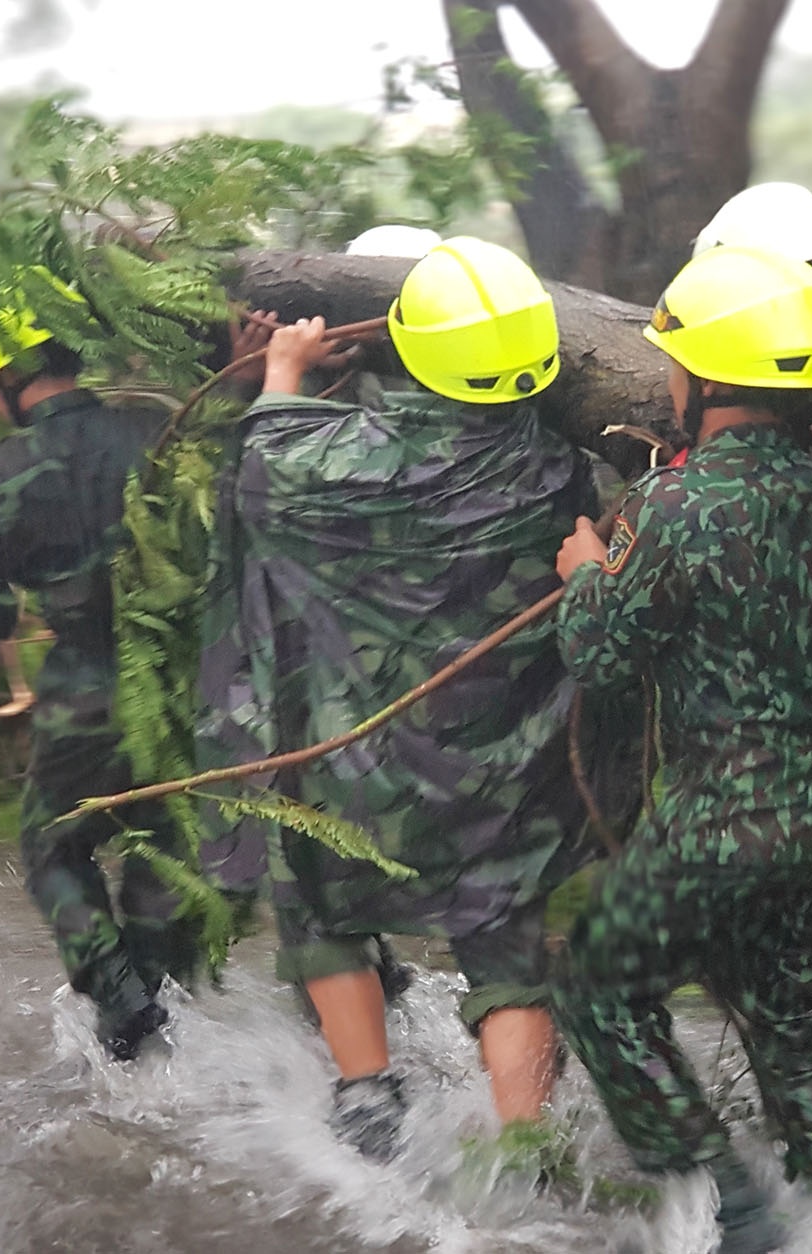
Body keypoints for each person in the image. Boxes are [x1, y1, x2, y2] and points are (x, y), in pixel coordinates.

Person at [195, 236, 627, 1162]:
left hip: (357, 761)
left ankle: (366, 1095)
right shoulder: (556, 470)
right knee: (502, 933)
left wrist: (281, 370)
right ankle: (523, 1147)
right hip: (500, 759)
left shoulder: (332, 456)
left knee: (317, 895)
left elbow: (266, 467)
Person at [549, 246, 812, 1254]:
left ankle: (729, 1201)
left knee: (599, 990)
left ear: (697, 378)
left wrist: (584, 570)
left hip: (720, 819)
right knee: (806, 1036)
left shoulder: (673, 505)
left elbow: (601, 655)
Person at [0, 269, 197, 1061]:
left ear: (14, 374)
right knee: (170, 839)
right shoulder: (157, 430)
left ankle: (118, 994)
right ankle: (158, 1005)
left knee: (55, 846)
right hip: (185, 685)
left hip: (80, 694)